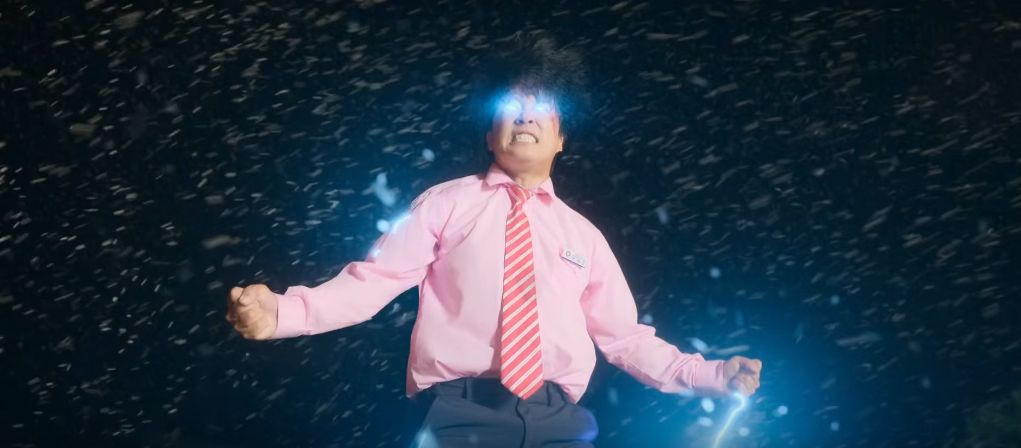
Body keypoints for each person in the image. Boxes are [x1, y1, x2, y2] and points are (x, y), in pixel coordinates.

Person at [226, 31, 762, 447]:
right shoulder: (446, 203)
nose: (524, 114)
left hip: (561, 420)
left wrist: (710, 374)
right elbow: (373, 281)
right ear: (490, 134)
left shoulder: (585, 236)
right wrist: (283, 312)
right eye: (509, 105)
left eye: (540, 106)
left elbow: (625, 338)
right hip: (460, 412)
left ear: (561, 137)